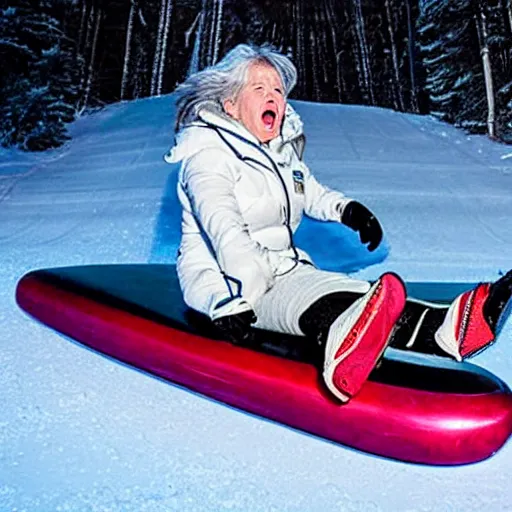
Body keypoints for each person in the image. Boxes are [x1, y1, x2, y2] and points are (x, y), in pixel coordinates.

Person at [165, 44, 512, 403]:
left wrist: (349, 210)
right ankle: (340, 351)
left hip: (286, 267)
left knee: (355, 294)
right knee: (309, 301)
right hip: (225, 280)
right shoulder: (207, 158)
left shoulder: (279, 153)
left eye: (278, 90)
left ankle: (447, 330)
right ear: (231, 105)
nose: (272, 96)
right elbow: (224, 229)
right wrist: (234, 298)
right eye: (259, 88)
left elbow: (311, 191)